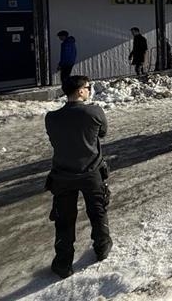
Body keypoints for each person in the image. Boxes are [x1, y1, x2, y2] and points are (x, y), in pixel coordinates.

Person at [44, 75, 112, 279]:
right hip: (91, 172)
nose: (90, 90)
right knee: (97, 211)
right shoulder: (94, 112)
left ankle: (63, 262)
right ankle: (102, 246)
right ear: (81, 91)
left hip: (62, 174)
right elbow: (103, 133)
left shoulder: (51, 118)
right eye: (88, 87)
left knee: (64, 219)